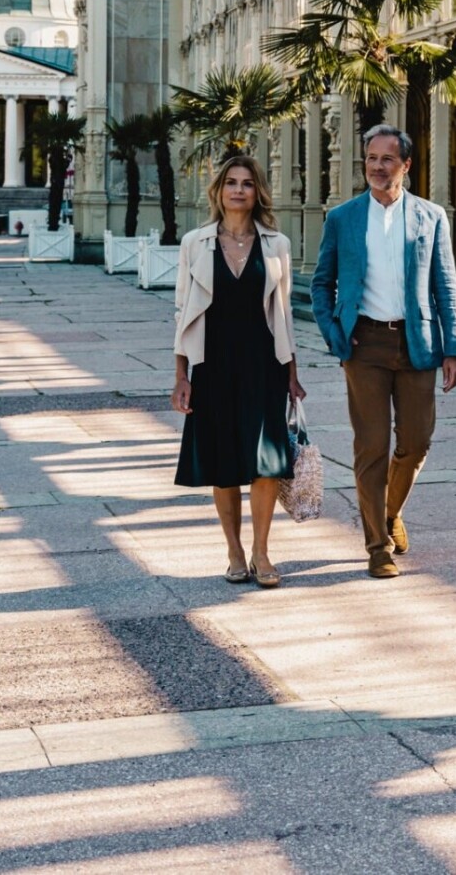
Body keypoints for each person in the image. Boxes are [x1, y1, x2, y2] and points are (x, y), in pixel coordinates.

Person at [311, 124, 456, 579]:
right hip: (365, 345)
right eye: (371, 159)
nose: (378, 167)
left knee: (416, 442)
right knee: (372, 446)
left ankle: (391, 511)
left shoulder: (431, 216)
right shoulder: (342, 217)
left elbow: (446, 285)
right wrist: (334, 331)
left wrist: (453, 347)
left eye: (387, 160)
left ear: (406, 166)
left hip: (417, 342)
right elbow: (322, 283)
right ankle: (377, 545)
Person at [170, 154, 306, 588]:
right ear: (219, 190)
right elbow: (182, 312)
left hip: (263, 363)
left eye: (247, 183)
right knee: (224, 462)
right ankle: (234, 550)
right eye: (231, 182)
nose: (239, 190)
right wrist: (181, 375)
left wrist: (292, 373)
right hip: (211, 364)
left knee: (265, 461)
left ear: (257, 191)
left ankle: (262, 551)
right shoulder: (196, 242)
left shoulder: (276, 244)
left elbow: (284, 315)